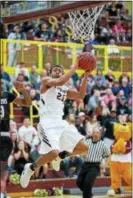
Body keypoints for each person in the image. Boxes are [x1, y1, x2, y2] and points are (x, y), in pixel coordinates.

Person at [20, 56, 89, 188]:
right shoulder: (46, 81)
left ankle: (60, 157)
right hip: (47, 124)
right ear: (50, 73)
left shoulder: (63, 89)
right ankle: (31, 168)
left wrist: (86, 75)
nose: (57, 71)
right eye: (55, 70)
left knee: (84, 148)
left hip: (60, 123)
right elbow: (60, 80)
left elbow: (80, 96)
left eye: (59, 70)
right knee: (52, 152)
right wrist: (74, 67)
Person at [0, 79, 31, 198]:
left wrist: (23, 91)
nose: (1, 86)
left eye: (2, 84)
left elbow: (28, 103)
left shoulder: (7, 95)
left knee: (3, 168)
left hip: (4, 137)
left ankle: (2, 192)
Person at [77, 126, 111, 198]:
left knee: (88, 182)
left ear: (100, 134)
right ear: (92, 134)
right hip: (85, 164)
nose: (95, 134)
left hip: (95, 166)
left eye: (97, 132)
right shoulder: (87, 142)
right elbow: (81, 151)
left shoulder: (103, 145)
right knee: (79, 182)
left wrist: (105, 164)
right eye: (94, 132)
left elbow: (109, 155)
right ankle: (89, 194)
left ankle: (87, 195)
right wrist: (82, 154)